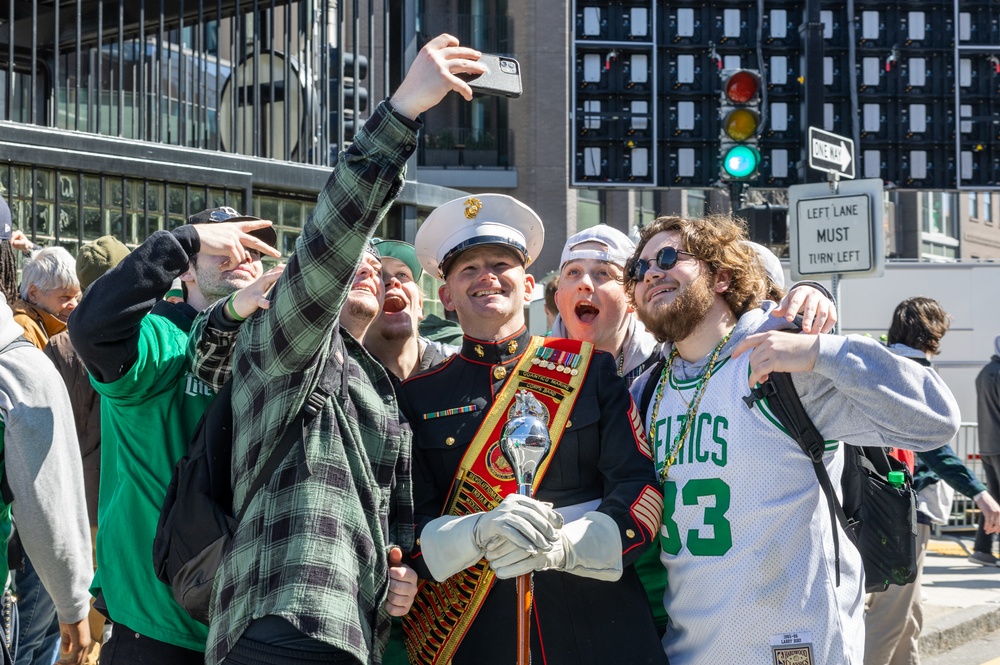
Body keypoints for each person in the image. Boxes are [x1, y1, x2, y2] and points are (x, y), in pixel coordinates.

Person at [184, 34, 482, 665]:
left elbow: (389, 523)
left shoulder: (376, 386)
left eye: (380, 261)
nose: (369, 264)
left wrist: (399, 578)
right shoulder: (282, 346)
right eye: (357, 260)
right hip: (280, 624)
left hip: (352, 631)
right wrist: (402, 109)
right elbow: (336, 232)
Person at [624, 214, 961, 664]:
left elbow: (937, 421)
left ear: (721, 276)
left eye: (668, 257)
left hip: (795, 647)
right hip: (689, 651)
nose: (650, 272)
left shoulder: (781, 362)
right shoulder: (647, 392)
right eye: (638, 268)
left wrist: (825, 351)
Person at [400, 193, 666, 665]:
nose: (487, 277)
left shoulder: (590, 373)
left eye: (500, 264)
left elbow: (639, 491)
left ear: (526, 287)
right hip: (478, 635)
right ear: (445, 296)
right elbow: (405, 522)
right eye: (468, 269)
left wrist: (566, 546)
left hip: (599, 629)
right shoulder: (418, 396)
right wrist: (475, 531)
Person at [68, 209, 280, 664]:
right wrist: (182, 240)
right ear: (185, 269)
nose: (241, 255)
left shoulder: (274, 346)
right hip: (158, 623)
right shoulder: (159, 336)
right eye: (221, 247)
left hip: (249, 624)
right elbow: (90, 326)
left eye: (253, 248)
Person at [864, 296, 1000, 665]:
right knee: (891, 616)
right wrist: (980, 493)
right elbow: (935, 449)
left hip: (880, 503)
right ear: (933, 331)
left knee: (909, 614)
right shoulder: (914, 372)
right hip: (903, 509)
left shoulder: (878, 364)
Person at [41, 236, 130, 664]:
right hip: (129, 500)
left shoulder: (59, 346)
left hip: (77, 504)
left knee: (76, 629)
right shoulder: (145, 331)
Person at [0, 292, 94, 665]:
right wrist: (72, 598)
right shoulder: (20, 366)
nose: (73, 301)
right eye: (65, 294)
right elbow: (47, 498)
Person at [363, 238, 457, 381]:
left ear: (419, 305)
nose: (393, 281)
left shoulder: (458, 367)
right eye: (377, 274)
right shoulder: (341, 376)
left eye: (402, 274)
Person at [12, 247, 80, 350]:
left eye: (76, 297)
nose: (74, 305)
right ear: (34, 293)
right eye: (65, 297)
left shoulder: (61, 326)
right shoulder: (22, 329)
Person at [973, 334, 1000, 567]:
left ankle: (982, 548)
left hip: (987, 444)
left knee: (993, 498)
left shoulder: (985, 372)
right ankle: (983, 549)